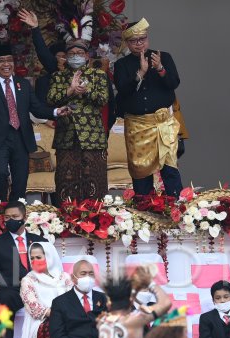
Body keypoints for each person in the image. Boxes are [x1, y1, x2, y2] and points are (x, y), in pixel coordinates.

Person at [0, 43, 71, 203]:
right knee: (1, 173)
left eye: (9, 60)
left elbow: (37, 108)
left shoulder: (23, 84)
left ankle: (17, 208)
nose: (6, 64)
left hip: (21, 136)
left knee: (20, 177)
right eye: (1, 61)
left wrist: (56, 112)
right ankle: (0, 208)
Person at [113, 18, 182, 197]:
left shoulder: (163, 57)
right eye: (134, 41)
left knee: (170, 170)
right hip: (138, 127)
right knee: (141, 174)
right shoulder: (121, 65)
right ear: (128, 43)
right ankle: (144, 212)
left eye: (142, 39)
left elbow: (173, 83)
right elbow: (123, 90)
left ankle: (176, 210)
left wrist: (159, 67)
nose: (139, 43)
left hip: (163, 125)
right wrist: (140, 74)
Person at [47, 39, 109, 202]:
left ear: (87, 56)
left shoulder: (98, 75)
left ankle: (96, 219)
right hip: (66, 135)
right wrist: (69, 91)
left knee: (95, 179)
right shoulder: (58, 76)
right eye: (72, 54)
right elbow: (51, 100)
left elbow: (103, 99)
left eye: (80, 53)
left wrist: (86, 91)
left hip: (92, 136)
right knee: (66, 180)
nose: (76, 57)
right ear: (66, 57)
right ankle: (68, 219)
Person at [0, 200, 47, 338]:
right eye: (7, 217)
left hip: (39, 288)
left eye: (15, 217)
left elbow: (50, 267)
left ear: (24, 218)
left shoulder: (40, 241)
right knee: (5, 299)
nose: (10, 220)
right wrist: (20, 284)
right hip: (11, 290)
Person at [20, 241, 73, 338]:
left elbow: (73, 300)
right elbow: (34, 308)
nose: (35, 261)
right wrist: (59, 314)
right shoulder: (28, 280)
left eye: (39, 257)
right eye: (32, 258)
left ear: (49, 257)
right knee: (54, 326)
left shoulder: (64, 277)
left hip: (67, 318)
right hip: (42, 321)